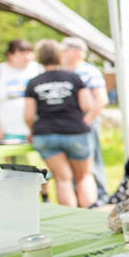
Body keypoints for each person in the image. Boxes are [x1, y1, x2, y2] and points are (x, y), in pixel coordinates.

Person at [24, 40, 95, 207]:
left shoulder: (33, 82)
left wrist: (32, 130)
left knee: (62, 178)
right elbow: (88, 105)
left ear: (40, 58)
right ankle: (91, 214)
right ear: (59, 55)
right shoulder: (74, 78)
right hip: (75, 132)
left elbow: (28, 115)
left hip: (45, 134)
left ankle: (69, 216)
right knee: (84, 176)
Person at [61, 37, 109, 205]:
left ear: (77, 52)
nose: (62, 54)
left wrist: (86, 121)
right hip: (69, 125)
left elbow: (101, 99)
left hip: (86, 123)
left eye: (65, 50)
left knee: (92, 161)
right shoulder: (64, 71)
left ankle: (100, 198)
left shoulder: (89, 71)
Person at [0, 39, 42, 142]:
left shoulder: (38, 69)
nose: (27, 57)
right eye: (22, 53)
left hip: (37, 130)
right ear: (10, 55)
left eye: (29, 53)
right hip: (7, 130)